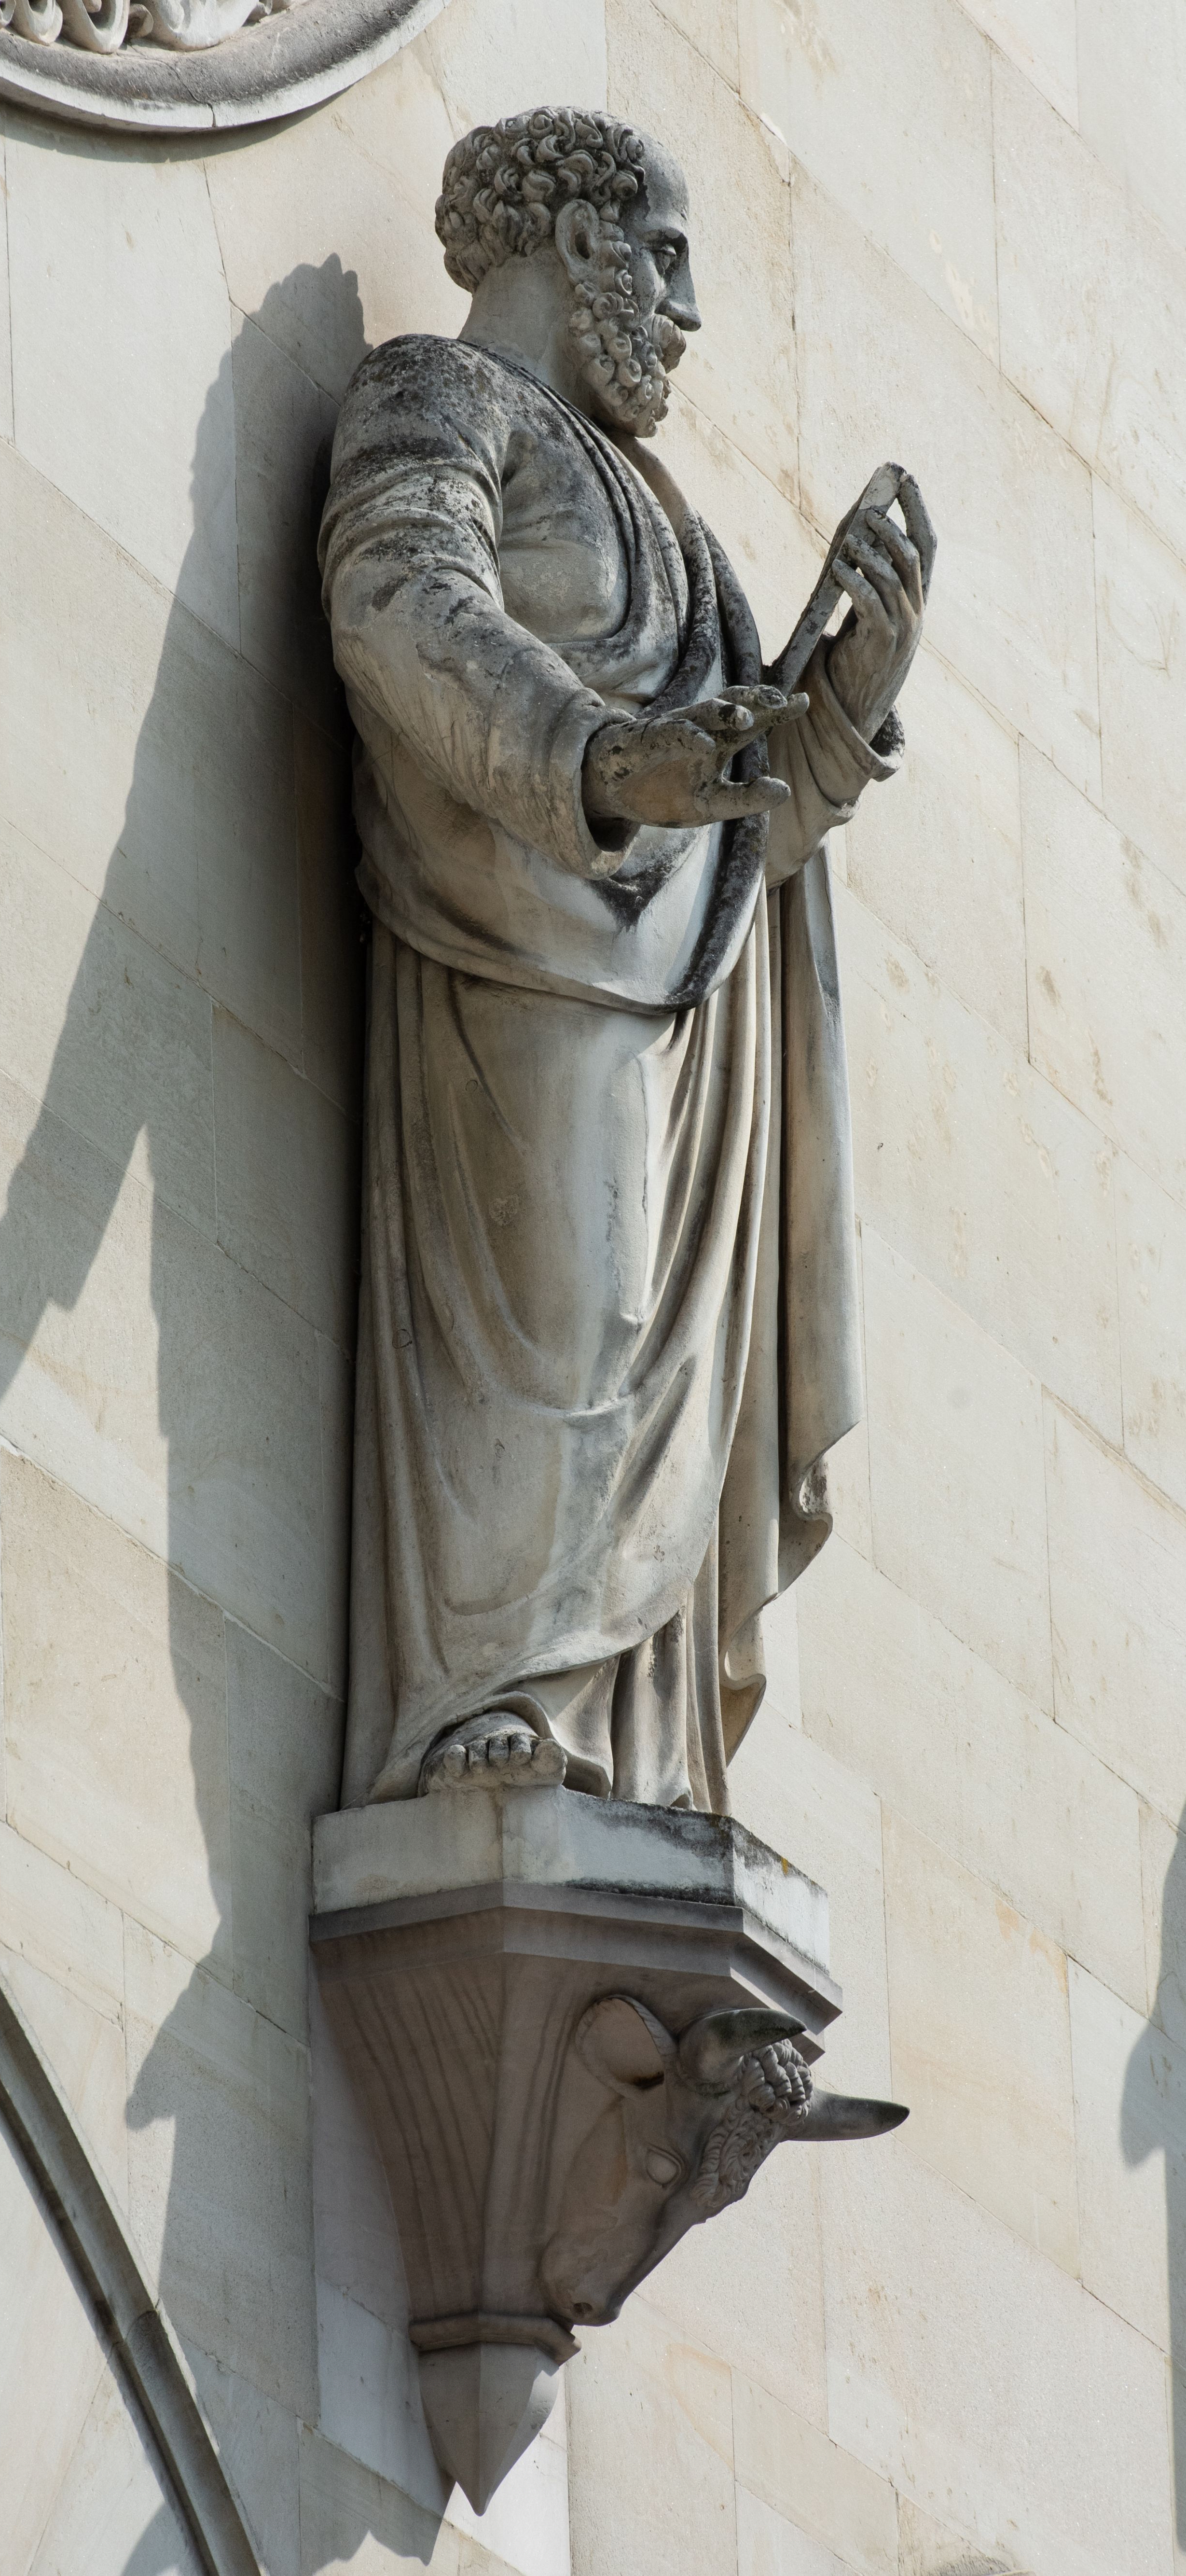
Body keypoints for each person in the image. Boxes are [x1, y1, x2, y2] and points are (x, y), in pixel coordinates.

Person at [319, 107, 933, 1811]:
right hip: (524, 970)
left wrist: (843, 703)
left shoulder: (680, 531)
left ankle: (632, 1745)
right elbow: (401, 605)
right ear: (577, 241)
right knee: (568, 1323)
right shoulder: (440, 401)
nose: (689, 309)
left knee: (654, 1344)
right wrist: (598, 758)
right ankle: (490, 1696)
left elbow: (739, 827)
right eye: (664, 259)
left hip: (680, 1016)